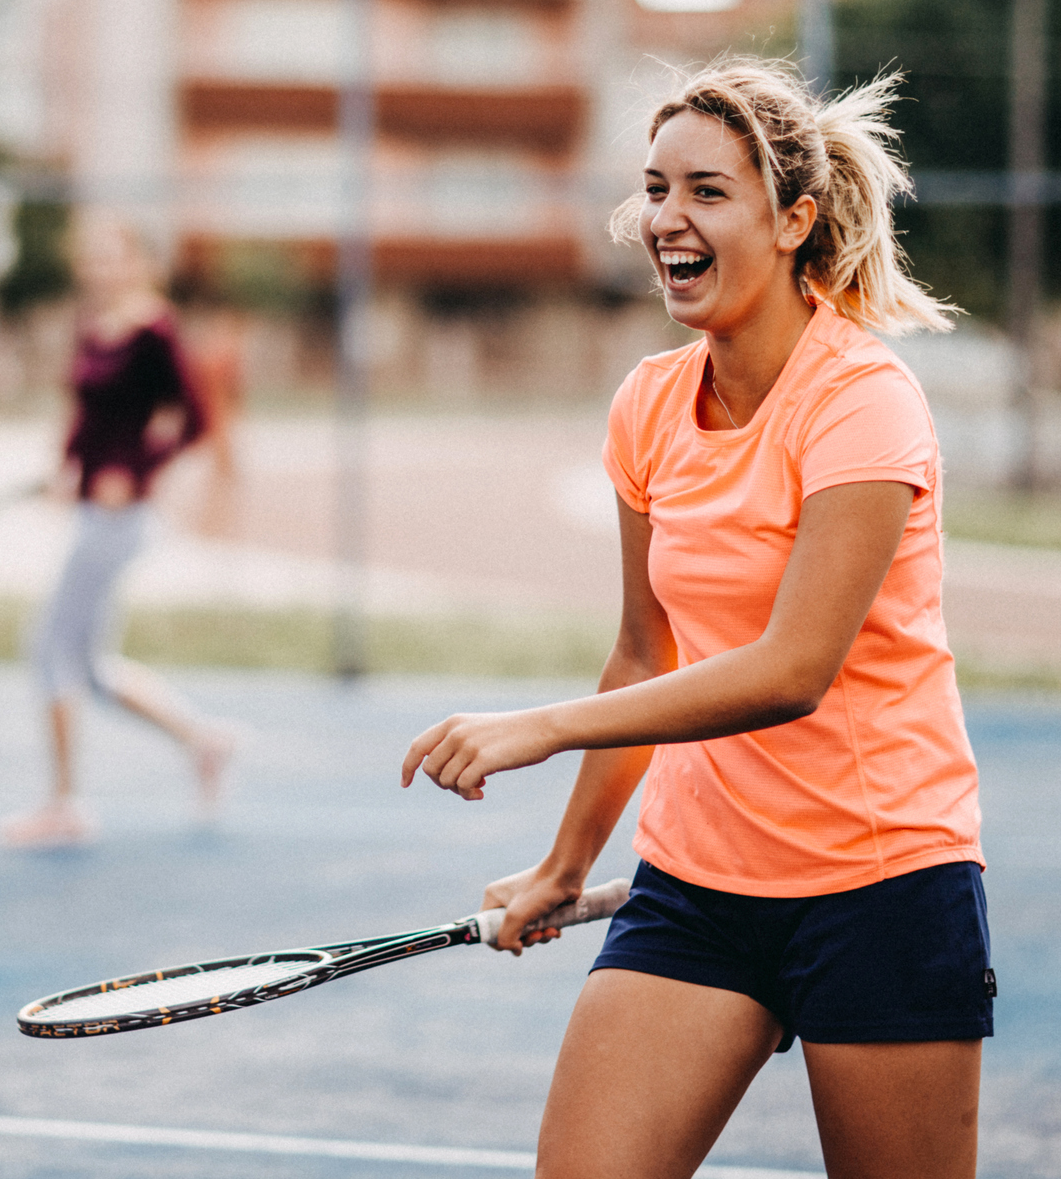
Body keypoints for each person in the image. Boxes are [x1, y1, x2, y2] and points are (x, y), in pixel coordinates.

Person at [400, 62, 987, 1179]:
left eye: (708, 191)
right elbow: (643, 651)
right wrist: (563, 864)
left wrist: (543, 725)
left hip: (882, 885)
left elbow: (793, 670)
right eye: (657, 188)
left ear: (793, 221)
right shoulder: (651, 403)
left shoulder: (864, 401)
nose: (669, 216)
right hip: (699, 887)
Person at [0, 213, 235, 850]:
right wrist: (64, 470)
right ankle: (203, 741)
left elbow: (197, 419)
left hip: (121, 519)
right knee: (89, 669)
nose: (100, 268)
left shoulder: (155, 329)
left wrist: (135, 472)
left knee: (49, 648)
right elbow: (83, 414)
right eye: (92, 257)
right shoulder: (94, 325)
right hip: (90, 512)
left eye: (112, 257)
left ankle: (65, 804)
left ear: (139, 262)